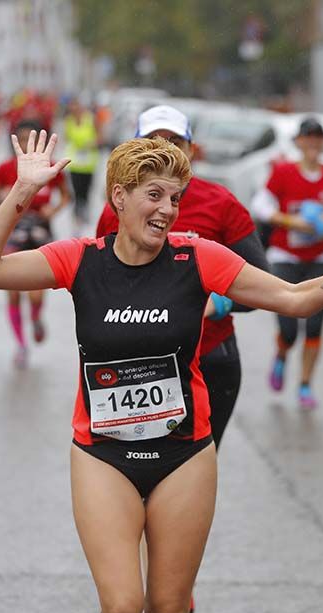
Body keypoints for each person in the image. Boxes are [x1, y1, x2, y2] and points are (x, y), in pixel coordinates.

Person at [0, 130, 323, 613]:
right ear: (119, 197)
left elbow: (294, 299)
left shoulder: (198, 258)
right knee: (125, 608)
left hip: (185, 454)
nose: (168, 210)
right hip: (104, 455)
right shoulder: (80, 260)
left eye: (175, 198)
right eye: (154, 195)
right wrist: (23, 191)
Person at [96, 104, 269, 448]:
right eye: (152, 141)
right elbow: (100, 286)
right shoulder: (116, 208)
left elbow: (262, 283)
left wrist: (216, 305)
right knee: (134, 474)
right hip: (139, 365)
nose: (164, 150)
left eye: (175, 141)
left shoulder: (221, 203)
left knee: (194, 477)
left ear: (192, 150)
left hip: (209, 358)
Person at [250, 116, 323, 409]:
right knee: (288, 328)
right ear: (298, 142)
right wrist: (289, 220)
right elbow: (260, 205)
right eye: (307, 138)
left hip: (320, 260)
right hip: (285, 259)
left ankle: (306, 385)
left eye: (318, 138)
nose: (312, 143)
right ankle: (282, 354)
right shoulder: (283, 173)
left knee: (315, 327)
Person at [0, 120, 70, 368]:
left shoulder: (52, 169)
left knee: (34, 295)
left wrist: (52, 211)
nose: (25, 145)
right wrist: (2, 198)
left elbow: (66, 197)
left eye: (30, 140)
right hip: (12, 233)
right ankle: (21, 345)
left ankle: (36, 316)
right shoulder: (4, 169)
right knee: (12, 293)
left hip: (39, 232)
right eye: (21, 140)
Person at [64, 98, 101, 230]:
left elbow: (100, 137)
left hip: (88, 163)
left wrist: (92, 143)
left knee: (86, 191)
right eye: (71, 107)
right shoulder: (68, 121)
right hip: (74, 162)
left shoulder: (91, 119)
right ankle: (77, 217)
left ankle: (84, 214)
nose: (74, 109)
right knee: (76, 190)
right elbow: (67, 138)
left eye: (76, 106)